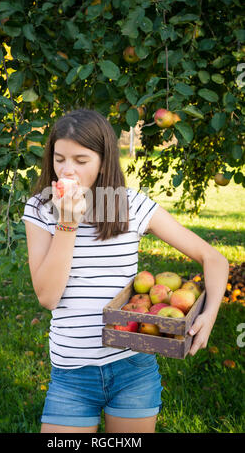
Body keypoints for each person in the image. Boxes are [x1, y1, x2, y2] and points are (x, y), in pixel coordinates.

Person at [21, 108, 229, 433]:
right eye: (59, 158)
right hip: (71, 374)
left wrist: (210, 314)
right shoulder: (40, 209)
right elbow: (47, 297)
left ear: (103, 160)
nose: (66, 170)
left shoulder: (130, 205)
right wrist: (67, 223)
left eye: (80, 160)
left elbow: (214, 258)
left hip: (132, 367)